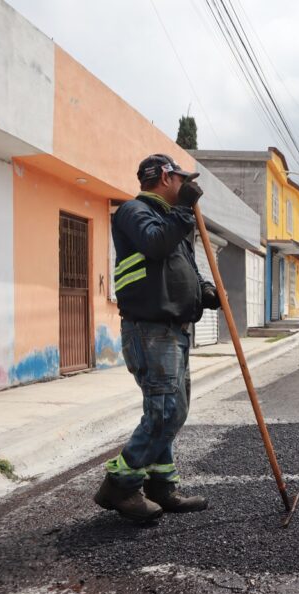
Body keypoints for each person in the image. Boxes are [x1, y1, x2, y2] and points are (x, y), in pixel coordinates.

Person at [94, 153, 221, 522]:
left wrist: (203, 290)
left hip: (173, 330)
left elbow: (182, 265)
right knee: (165, 411)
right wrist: (183, 210)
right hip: (149, 330)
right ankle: (120, 483)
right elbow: (154, 245)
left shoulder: (172, 219)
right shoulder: (133, 212)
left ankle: (161, 486)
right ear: (165, 177)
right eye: (182, 179)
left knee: (171, 411)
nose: (185, 185)